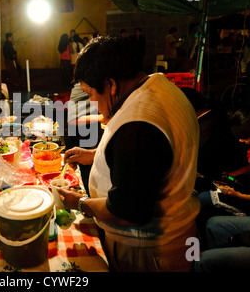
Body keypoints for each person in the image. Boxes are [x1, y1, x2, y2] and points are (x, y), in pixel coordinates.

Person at [57, 35, 200, 272]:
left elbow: (127, 212)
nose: (92, 103)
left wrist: (80, 202)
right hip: (175, 239)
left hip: (150, 253)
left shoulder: (139, 124)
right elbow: (149, 161)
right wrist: (95, 154)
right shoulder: (156, 86)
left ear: (111, 85)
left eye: (90, 93)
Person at [194, 101, 250, 272]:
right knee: (213, 224)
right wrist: (233, 175)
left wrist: (241, 238)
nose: (248, 142)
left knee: (204, 261)